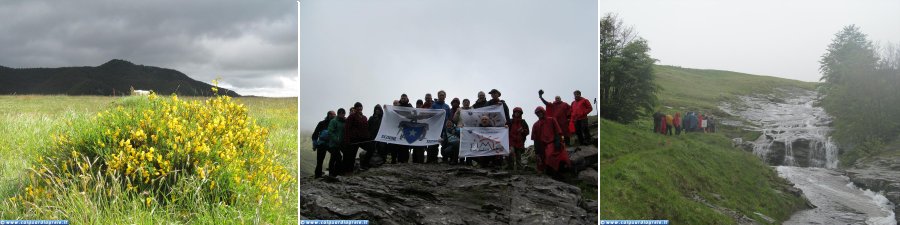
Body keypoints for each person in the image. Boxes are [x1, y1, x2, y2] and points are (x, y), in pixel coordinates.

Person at [532, 106, 571, 177]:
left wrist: (558, 141)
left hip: (553, 142)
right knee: (543, 160)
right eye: (537, 113)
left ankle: (562, 172)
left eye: (540, 112)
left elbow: (557, 131)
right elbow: (535, 138)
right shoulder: (535, 125)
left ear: (543, 112)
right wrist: (537, 150)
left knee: (555, 157)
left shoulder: (552, 120)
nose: (539, 114)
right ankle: (550, 174)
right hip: (542, 146)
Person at [342, 102, 369, 174]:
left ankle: (364, 166)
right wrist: (347, 140)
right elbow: (347, 128)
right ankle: (348, 171)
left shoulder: (364, 118)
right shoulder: (351, 117)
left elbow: (366, 128)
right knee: (351, 156)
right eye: (358, 107)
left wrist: (367, 137)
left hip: (362, 139)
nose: (360, 108)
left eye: (361, 106)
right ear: (355, 108)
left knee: (370, 149)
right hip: (353, 140)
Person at [312, 111, 335, 178]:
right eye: (332, 114)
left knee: (336, 156)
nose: (333, 116)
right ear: (328, 115)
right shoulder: (322, 123)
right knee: (320, 160)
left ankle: (331, 173)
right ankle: (318, 175)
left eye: (334, 115)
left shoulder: (334, 123)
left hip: (330, 144)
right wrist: (315, 144)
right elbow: (315, 134)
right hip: (322, 144)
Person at [429, 91, 451, 163]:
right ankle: (433, 158)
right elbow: (431, 115)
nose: (441, 96)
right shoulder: (434, 105)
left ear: (445, 96)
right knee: (434, 143)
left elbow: (449, 117)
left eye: (443, 95)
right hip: (436, 128)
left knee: (445, 144)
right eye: (440, 95)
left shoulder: (447, 106)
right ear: (438, 96)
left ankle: (445, 159)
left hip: (444, 128)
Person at [326, 108, 347, 176]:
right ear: (338, 114)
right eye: (340, 113)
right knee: (337, 157)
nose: (342, 115)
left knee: (335, 157)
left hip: (341, 143)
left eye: (343, 113)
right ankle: (332, 173)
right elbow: (330, 132)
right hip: (333, 144)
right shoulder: (333, 121)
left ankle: (335, 173)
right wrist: (336, 140)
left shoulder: (344, 121)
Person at [363, 104, 384, 169]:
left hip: (380, 137)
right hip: (372, 137)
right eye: (376, 109)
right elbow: (367, 127)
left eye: (378, 109)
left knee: (382, 149)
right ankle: (365, 164)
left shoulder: (383, 119)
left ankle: (383, 163)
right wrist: (368, 135)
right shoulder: (371, 118)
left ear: (381, 110)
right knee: (370, 150)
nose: (377, 110)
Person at [411, 99, 427, 163]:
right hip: (414, 131)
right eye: (418, 104)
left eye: (420, 104)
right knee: (415, 147)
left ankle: (421, 161)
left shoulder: (424, 112)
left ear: (422, 105)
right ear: (416, 104)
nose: (419, 105)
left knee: (421, 147)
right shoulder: (413, 111)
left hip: (421, 130)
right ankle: (414, 161)